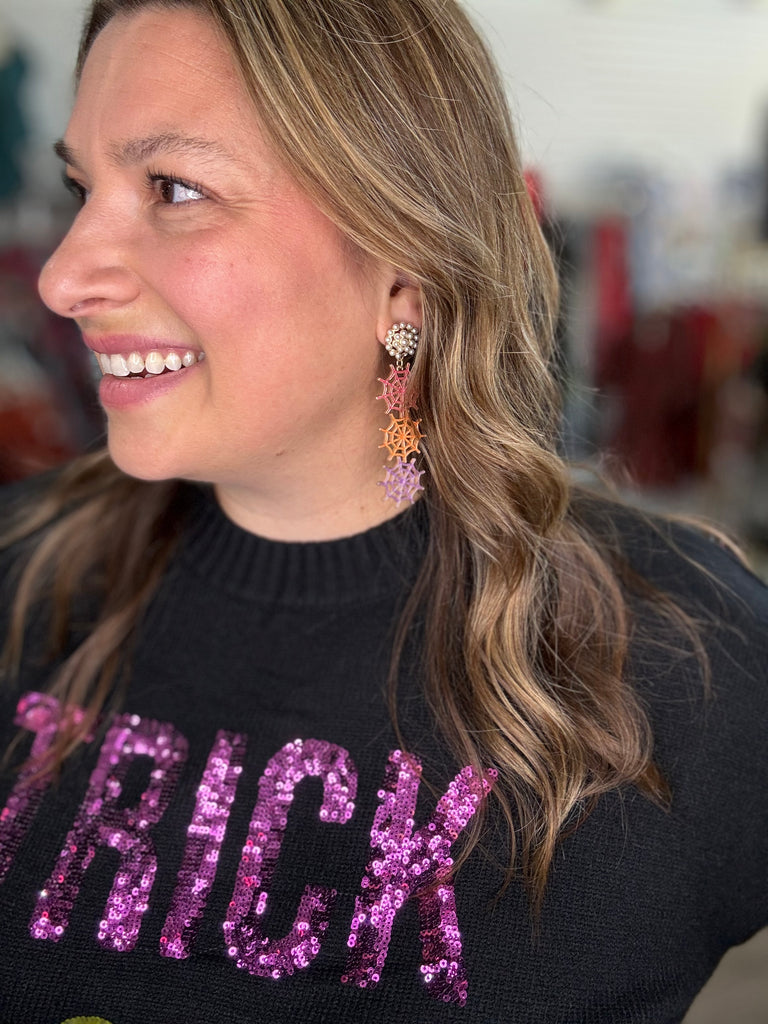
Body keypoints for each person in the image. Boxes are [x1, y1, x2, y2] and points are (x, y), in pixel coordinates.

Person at [0, 1, 766, 1021]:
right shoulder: (22, 573)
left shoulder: (690, 654)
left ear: (403, 271)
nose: (62, 277)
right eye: (80, 187)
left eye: (174, 189)